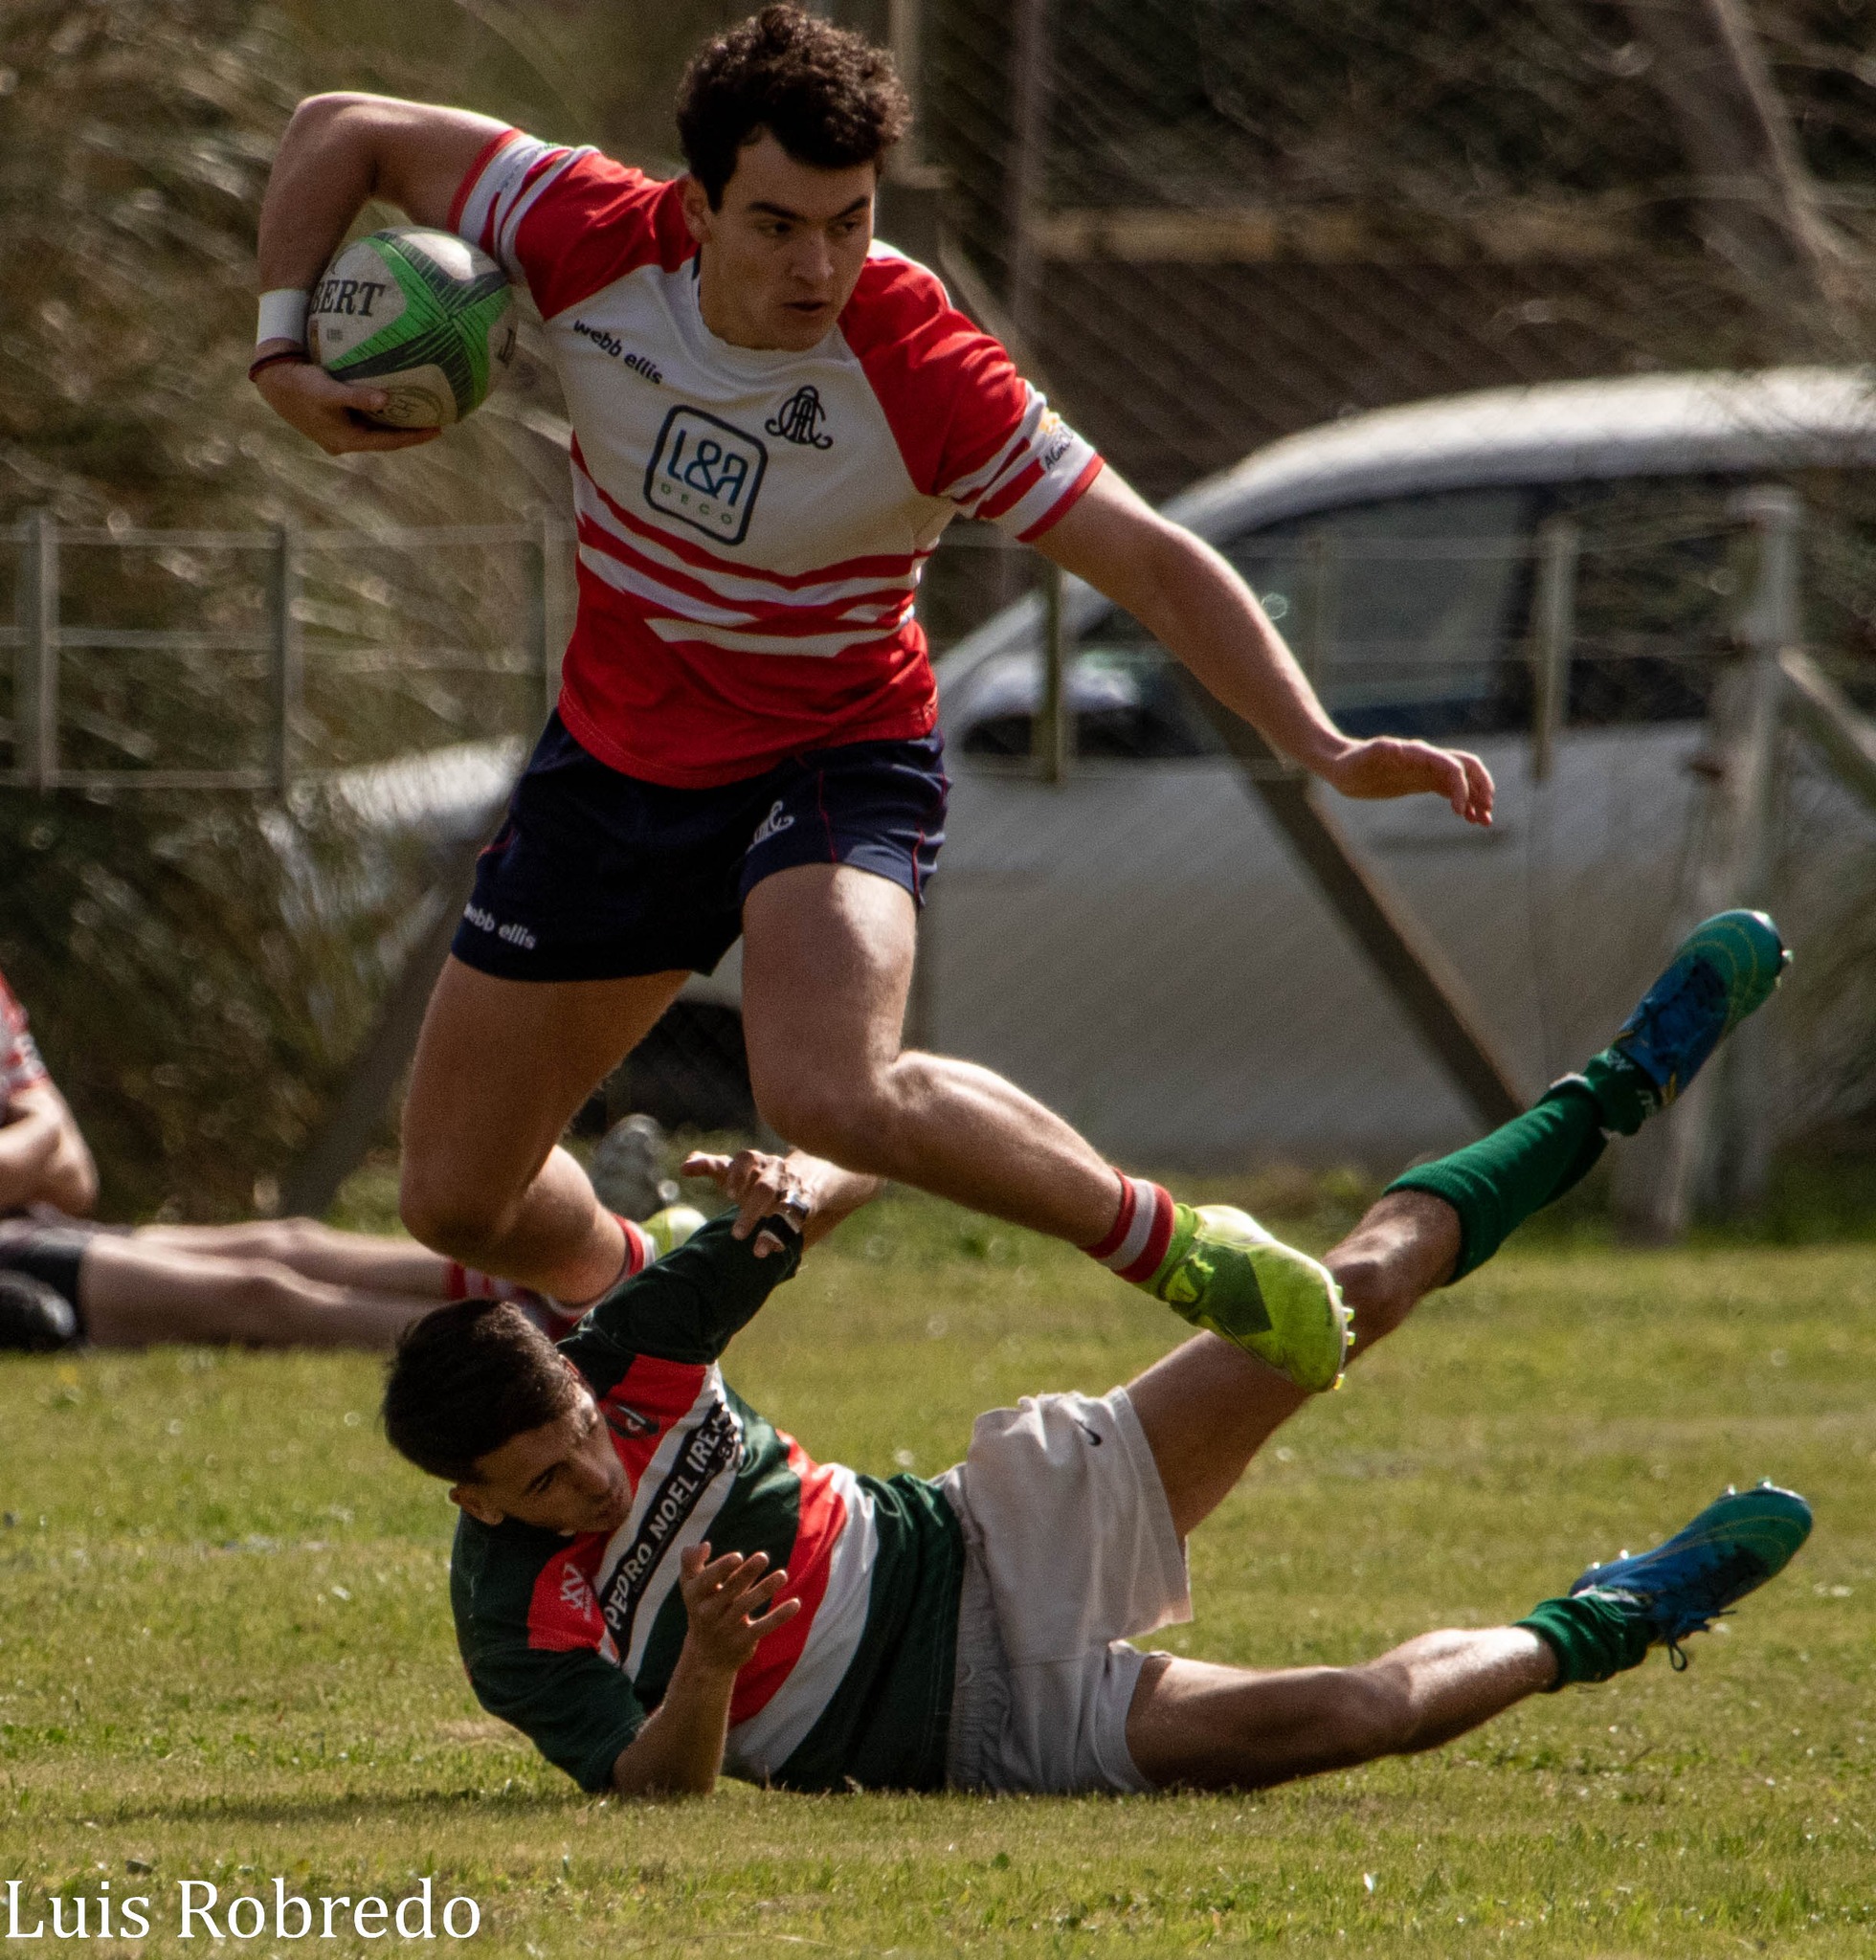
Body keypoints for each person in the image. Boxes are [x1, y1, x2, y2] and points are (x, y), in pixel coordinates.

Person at [248, 6, 1499, 1377]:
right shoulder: (586, 231)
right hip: (615, 765)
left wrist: (1317, 740)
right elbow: (342, 129)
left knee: (829, 1091)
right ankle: (642, 1274)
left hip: (833, 755)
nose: (821, 262)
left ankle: (1178, 1245)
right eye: (780, 223)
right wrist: (280, 355)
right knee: (458, 1198)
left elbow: (1147, 554)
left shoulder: (919, 361)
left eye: (849, 221)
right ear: (696, 203)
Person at [380, 911, 1806, 1799]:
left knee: (1348, 1293)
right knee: (1346, 1718)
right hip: (973, 1735)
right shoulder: (514, 1624)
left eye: (577, 1426)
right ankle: (1612, 1621)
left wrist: (802, 1190)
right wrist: (703, 1668)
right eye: (547, 1479)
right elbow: (651, 1799)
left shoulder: (632, 1356)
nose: (591, 1472)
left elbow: (873, 1143)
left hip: (991, 1530)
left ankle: (1617, 1083)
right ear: (476, 1502)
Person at [0, 960, 716, 1352]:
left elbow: (70, 1172)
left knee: (291, 1241)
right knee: (261, 1292)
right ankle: (549, 1345)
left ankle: (584, 1269)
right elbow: (42, 1148)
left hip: (28, 1225)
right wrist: (25, 1153)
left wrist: (32, 1154)